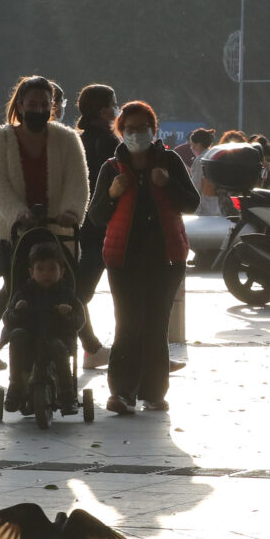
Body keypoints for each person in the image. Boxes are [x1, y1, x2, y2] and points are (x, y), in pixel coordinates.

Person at [84, 100, 197, 414]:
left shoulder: (170, 162)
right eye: (129, 129)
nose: (136, 134)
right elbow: (95, 216)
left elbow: (192, 203)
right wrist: (112, 195)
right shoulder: (111, 168)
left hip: (166, 258)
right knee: (128, 324)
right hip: (124, 260)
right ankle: (121, 392)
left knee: (156, 325)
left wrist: (168, 184)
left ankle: (154, 393)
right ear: (121, 132)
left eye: (142, 128)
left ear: (153, 129)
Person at [0, 76, 88, 369]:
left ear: (52, 107)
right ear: (20, 105)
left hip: (58, 228)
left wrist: (73, 210)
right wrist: (18, 212)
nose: (38, 109)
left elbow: (78, 181)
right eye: (32, 104)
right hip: (15, 230)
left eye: (44, 105)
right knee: (16, 288)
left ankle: (88, 346)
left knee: (63, 286)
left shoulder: (67, 138)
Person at [1, 239, 83, 416]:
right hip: (29, 339)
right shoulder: (24, 292)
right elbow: (7, 320)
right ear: (31, 272)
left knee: (57, 347)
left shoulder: (66, 293)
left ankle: (67, 393)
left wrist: (68, 314)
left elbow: (80, 320)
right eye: (40, 269)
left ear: (62, 272)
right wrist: (17, 311)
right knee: (16, 335)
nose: (46, 274)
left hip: (57, 338)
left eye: (52, 269)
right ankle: (16, 385)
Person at [72, 84, 120, 368]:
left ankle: (92, 347)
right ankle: (94, 349)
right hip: (102, 227)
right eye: (114, 104)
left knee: (79, 291)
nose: (116, 109)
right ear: (104, 110)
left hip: (79, 223)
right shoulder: (109, 143)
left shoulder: (78, 140)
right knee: (80, 293)